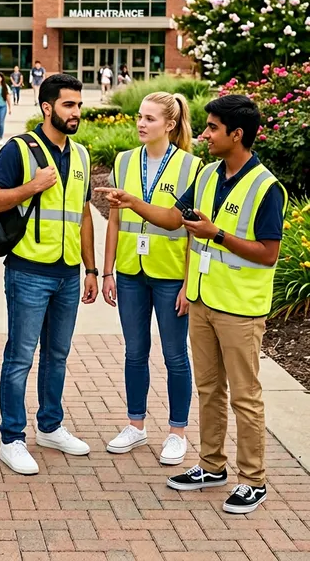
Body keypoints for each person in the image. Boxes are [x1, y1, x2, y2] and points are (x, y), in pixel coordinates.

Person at [98, 95, 286, 514]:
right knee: (209, 391)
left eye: (213, 128)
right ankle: (212, 466)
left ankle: (253, 480)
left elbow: (268, 253)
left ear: (236, 134)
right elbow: (171, 218)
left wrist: (216, 234)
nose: (204, 134)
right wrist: (131, 202)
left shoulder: (266, 187)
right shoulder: (209, 175)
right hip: (204, 301)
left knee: (245, 396)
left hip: (240, 307)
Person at [0, 73, 98, 476]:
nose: (76, 112)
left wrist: (91, 269)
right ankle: (12, 438)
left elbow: (83, 214)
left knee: (58, 355)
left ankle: (50, 426)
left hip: (68, 273)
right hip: (28, 271)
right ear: (47, 108)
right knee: (20, 357)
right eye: (69, 105)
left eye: (79, 105)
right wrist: (31, 187)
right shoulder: (19, 150)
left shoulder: (81, 154)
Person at [101, 92, 201, 465]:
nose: (141, 123)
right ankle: (135, 425)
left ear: (170, 125)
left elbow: (184, 226)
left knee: (175, 355)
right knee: (134, 352)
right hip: (129, 272)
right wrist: (108, 270)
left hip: (171, 275)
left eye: (150, 118)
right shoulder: (124, 161)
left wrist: (190, 285)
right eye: (139, 117)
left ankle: (177, 432)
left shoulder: (192, 167)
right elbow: (113, 220)